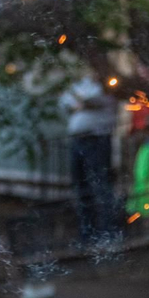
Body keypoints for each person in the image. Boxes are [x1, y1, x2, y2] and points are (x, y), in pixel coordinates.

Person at [60, 70, 119, 242]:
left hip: (97, 139)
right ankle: (87, 232)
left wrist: (79, 102)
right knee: (81, 186)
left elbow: (89, 100)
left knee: (101, 184)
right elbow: (65, 101)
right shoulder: (83, 84)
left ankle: (108, 230)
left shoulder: (107, 87)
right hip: (77, 140)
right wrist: (78, 102)